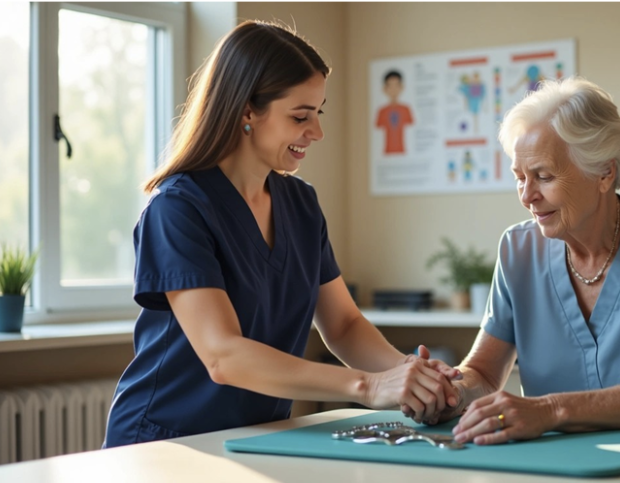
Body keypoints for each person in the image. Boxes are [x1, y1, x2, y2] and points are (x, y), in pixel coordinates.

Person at [103, 20, 458, 448]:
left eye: (318, 113)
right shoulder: (177, 209)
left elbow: (343, 325)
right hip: (163, 442)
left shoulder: (301, 205)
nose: (317, 132)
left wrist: (408, 376)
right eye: (299, 116)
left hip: (256, 438)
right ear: (246, 111)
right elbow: (223, 355)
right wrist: (368, 387)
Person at [408, 76, 620, 445]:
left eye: (544, 176)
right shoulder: (518, 249)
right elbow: (484, 374)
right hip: (562, 463)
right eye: (519, 177)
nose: (527, 195)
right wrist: (450, 392)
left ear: (604, 172)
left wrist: (549, 410)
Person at [375, 70, 414, 155]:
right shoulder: (382, 111)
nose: (393, 89)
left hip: (402, 150)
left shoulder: (405, 109)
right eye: (390, 86)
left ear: (401, 87)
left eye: (396, 85)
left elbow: (411, 127)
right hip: (387, 151)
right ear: (385, 89)